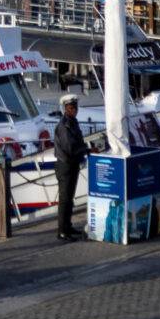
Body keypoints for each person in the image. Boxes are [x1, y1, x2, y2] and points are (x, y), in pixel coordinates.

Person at [53, 93, 87, 240]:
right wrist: (87, 150)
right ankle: (62, 231)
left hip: (73, 165)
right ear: (65, 109)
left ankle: (68, 225)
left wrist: (85, 149)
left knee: (70, 198)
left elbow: (78, 142)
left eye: (75, 107)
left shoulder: (73, 122)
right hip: (65, 166)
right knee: (65, 199)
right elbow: (70, 148)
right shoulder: (64, 126)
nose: (75, 110)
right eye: (71, 108)